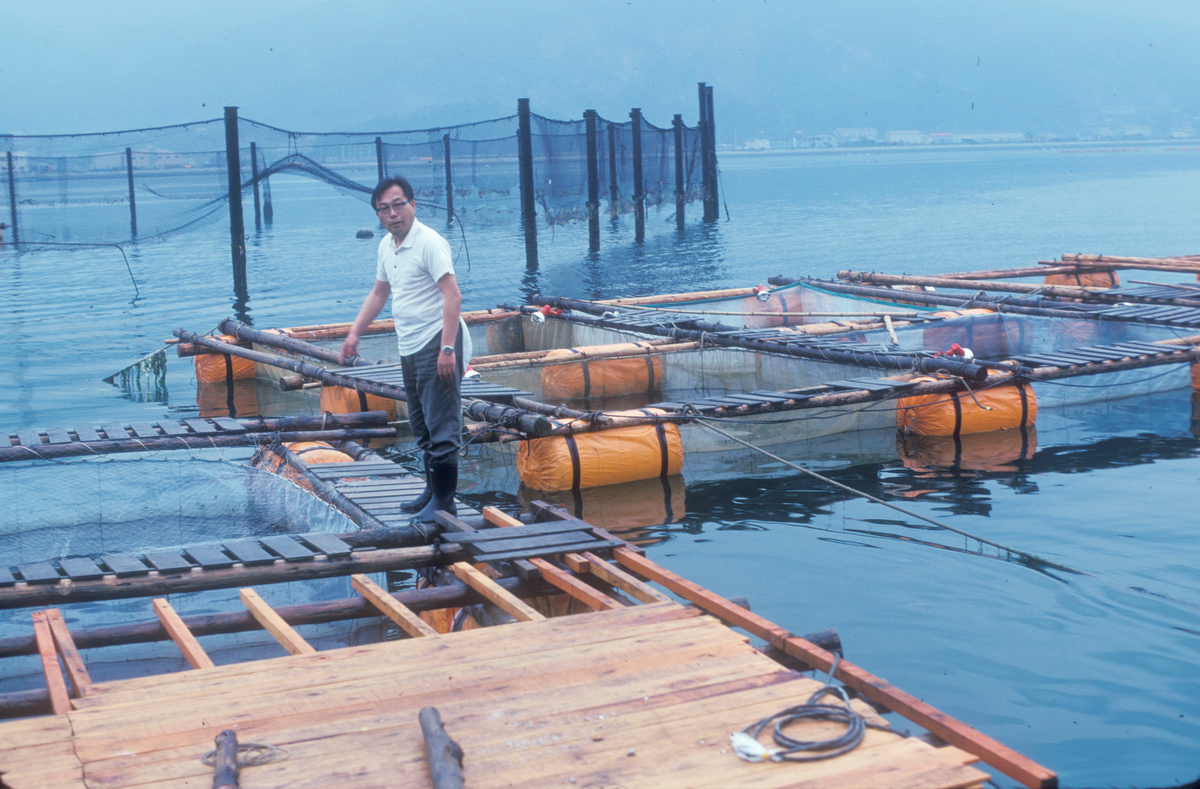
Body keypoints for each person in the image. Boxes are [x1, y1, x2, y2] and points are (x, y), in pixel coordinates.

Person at [340, 177, 463, 522]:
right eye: (384, 208)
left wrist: (448, 349)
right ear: (377, 214)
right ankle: (432, 491)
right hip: (409, 344)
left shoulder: (429, 243)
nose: (393, 213)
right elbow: (379, 294)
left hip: (438, 340)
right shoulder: (386, 246)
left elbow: (453, 296)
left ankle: (444, 501)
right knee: (421, 422)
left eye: (398, 204)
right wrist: (354, 334)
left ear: (412, 205)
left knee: (441, 423)